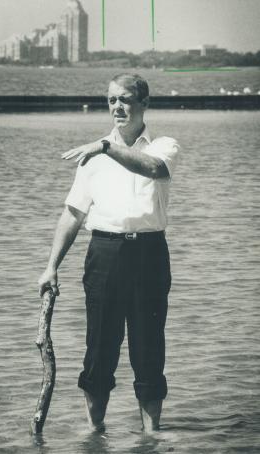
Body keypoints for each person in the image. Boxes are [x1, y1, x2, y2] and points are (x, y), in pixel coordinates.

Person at [38, 73, 180, 433]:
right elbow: (73, 213)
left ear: (144, 103)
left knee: (149, 353)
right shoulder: (95, 153)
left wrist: (104, 147)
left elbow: (151, 168)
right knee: (99, 352)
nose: (117, 107)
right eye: (111, 99)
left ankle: (151, 439)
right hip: (104, 254)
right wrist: (51, 267)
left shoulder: (163, 144)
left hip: (149, 254)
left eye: (126, 99)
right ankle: (94, 436)